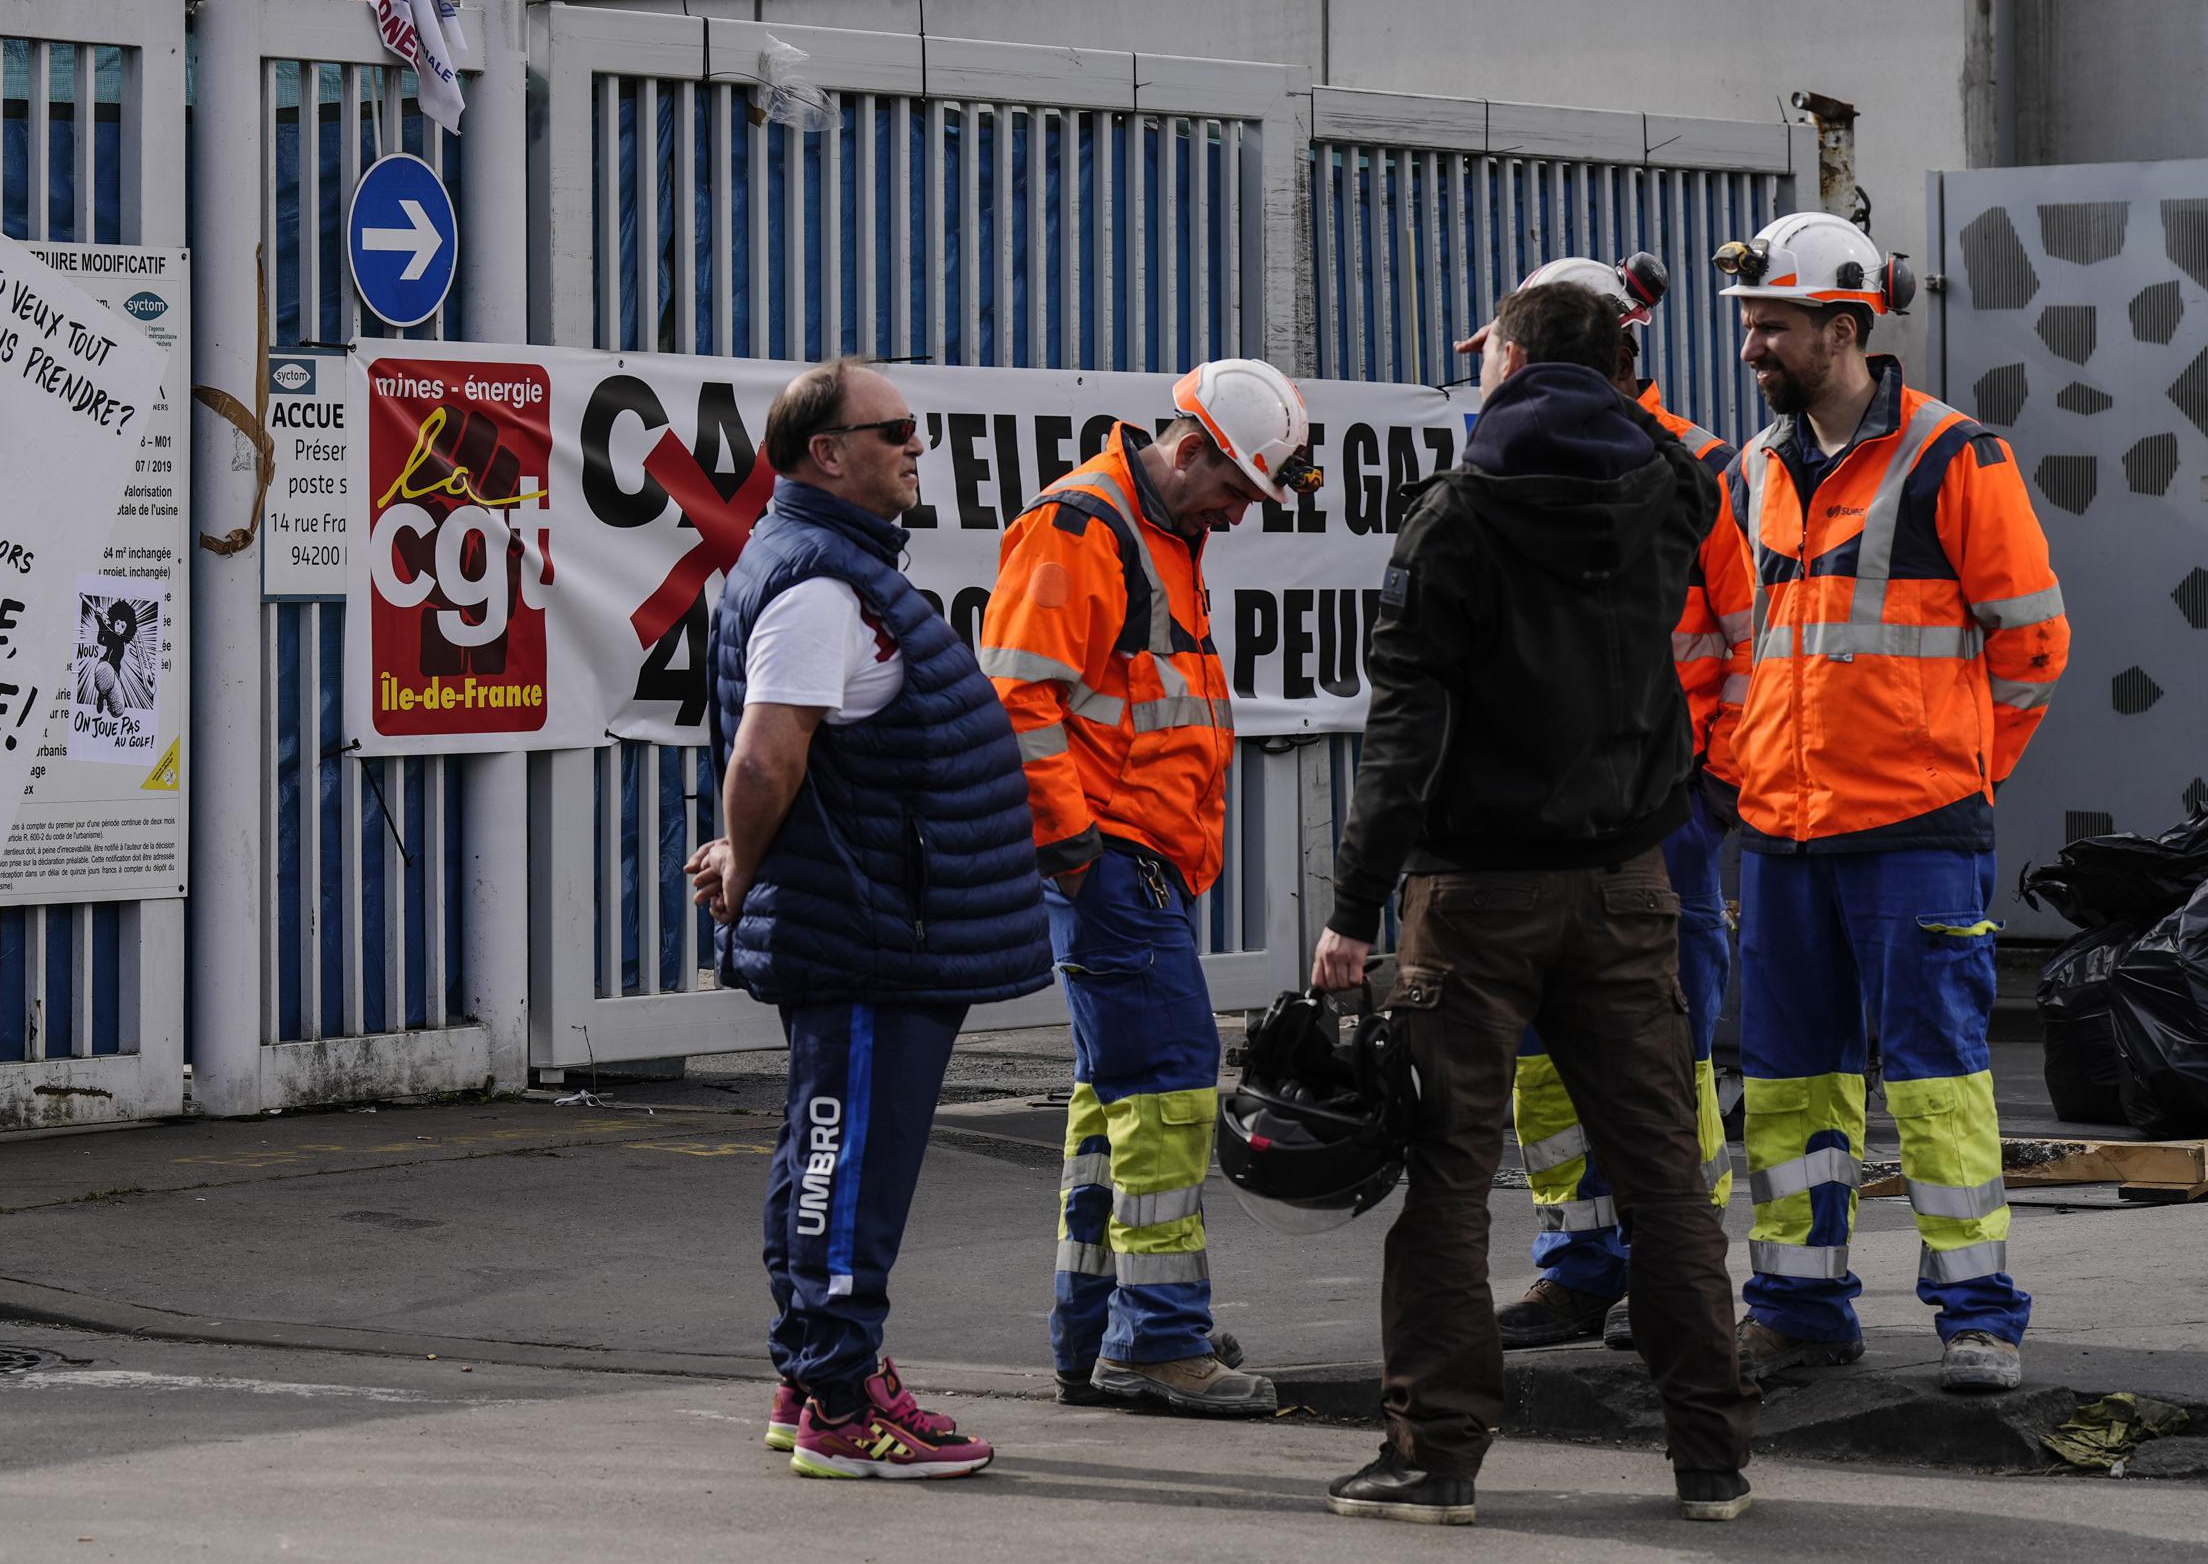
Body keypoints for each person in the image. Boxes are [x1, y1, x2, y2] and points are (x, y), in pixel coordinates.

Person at [1314, 279, 1757, 1527]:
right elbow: (1677, 455)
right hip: (1629, 881)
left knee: (1450, 1175)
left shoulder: (1456, 516)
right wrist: (1621, 366)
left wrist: (1354, 907)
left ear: (1505, 359)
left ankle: (1434, 1457)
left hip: (1473, 893)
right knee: (1663, 1171)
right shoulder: (1669, 491)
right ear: (1625, 371)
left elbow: (1405, 729)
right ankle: (1713, 1458)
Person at [1713, 212, 2068, 1394]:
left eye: (1774, 326)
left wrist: (1962, 771)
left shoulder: (1954, 457)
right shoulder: (1750, 469)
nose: (1754, 346)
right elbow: (1729, 646)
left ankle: (1977, 1316)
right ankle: (1797, 1307)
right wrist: (1743, 762)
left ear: (1846, 326)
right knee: (1786, 1084)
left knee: (1936, 1077)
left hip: (1913, 829)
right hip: (1780, 827)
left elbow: (2033, 645)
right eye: (1751, 325)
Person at [686, 358, 1052, 1480]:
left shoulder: (830, 569)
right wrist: (746, 860)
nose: (915, 447)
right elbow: (767, 752)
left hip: (884, 926)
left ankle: (816, 1378)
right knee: (846, 1169)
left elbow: (801, 755)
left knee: (830, 1155)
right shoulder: (815, 585)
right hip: (869, 932)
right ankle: (844, 1404)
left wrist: (744, 852)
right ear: (825, 455)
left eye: (914, 429)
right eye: (893, 431)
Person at [976, 359, 1318, 1419]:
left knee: (1114, 1104)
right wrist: (1077, 852)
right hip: (1110, 863)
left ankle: (1103, 1329)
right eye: (1237, 489)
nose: (1240, 512)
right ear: (1192, 449)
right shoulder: (1087, 527)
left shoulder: (1159, 532)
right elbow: (1017, 702)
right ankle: (1156, 1341)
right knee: (1169, 1085)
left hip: (1132, 861)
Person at [1448, 257, 1755, 1356]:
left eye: (1495, 347)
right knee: (1544, 1055)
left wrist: (1709, 787)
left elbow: (1750, 637)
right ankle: (1578, 1268)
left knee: (1664, 1050)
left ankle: (1672, 1275)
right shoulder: (1509, 462)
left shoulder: (1698, 468)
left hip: (1656, 808)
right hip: (1550, 810)